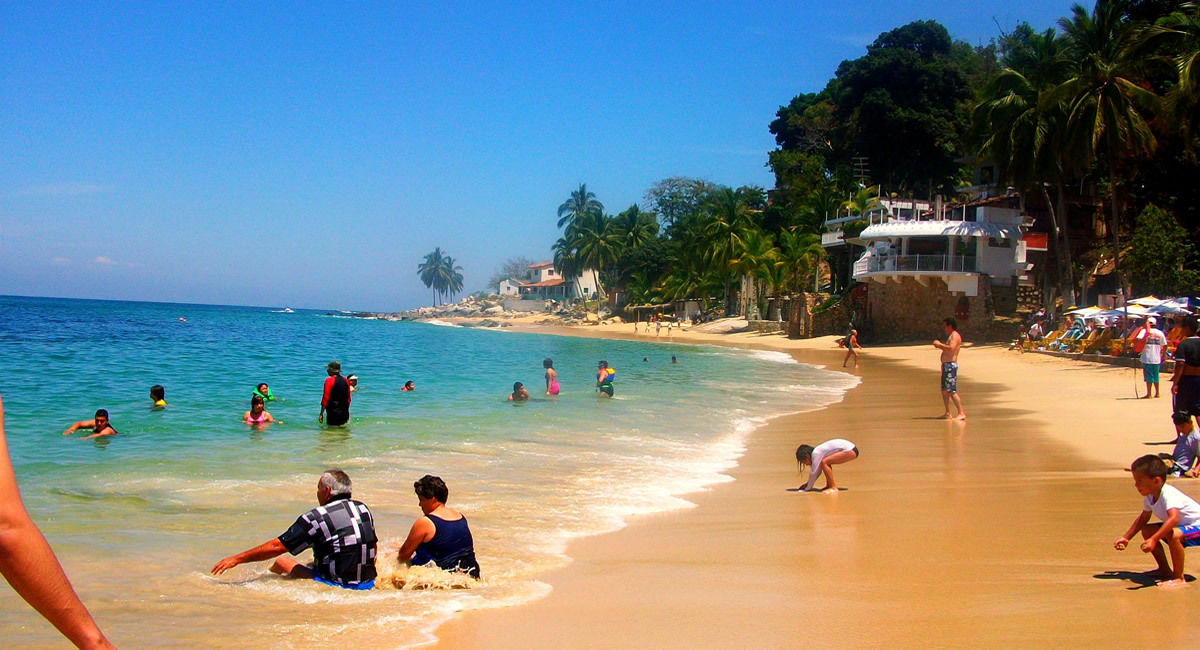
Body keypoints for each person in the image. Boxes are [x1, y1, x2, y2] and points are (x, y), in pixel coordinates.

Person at [0, 394, 115, 649]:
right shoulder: (93, 424)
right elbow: (5, 525)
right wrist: (94, 643)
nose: (97, 423)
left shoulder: (107, 431)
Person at [212, 469, 377, 590]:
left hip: (338, 586)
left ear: (326, 491)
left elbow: (276, 547)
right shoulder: (362, 508)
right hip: (368, 583)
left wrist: (236, 559)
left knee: (281, 562)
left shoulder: (316, 518)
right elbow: (373, 546)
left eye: (318, 488)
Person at [1114, 455, 1200, 587]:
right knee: (1147, 530)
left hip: (1197, 525)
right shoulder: (1150, 496)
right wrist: (1126, 538)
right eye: (1135, 480)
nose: (1136, 485)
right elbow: (1143, 518)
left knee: (1174, 535)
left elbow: (1173, 518)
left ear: (1156, 481)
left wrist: (1154, 539)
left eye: (1140, 481)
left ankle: (1179, 577)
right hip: (1183, 526)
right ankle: (1164, 570)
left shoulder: (1168, 494)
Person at [397, 475, 481, 579]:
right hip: (472, 574)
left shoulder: (425, 522)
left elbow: (403, 556)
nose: (420, 504)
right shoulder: (460, 516)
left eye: (421, 500)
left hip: (446, 578)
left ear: (432, 499)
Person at [933, 317, 966, 420]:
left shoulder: (955, 335)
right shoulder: (951, 336)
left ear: (950, 326)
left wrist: (939, 345)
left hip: (950, 366)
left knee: (951, 390)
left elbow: (951, 348)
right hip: (946, 366)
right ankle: (948, 412)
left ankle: (961, 412)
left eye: (945, 326)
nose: (944, 328)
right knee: (944, 390)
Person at [1171, 316, 1200, 429]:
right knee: (1198, 410)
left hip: (1186, 380)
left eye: (1182, 328)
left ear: (1187, 328)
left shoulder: (1183, 344)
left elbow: (1180, 364)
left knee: (1181, 411)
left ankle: (1183, 436)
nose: (1181, 330)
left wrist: (1175, 383)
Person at [1164, 411, 1200, 478]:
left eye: (1182, 426)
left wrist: (1196, 469)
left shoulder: (1195, 438)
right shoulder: (1183, 434)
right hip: (1173, 461)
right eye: (1178, 427)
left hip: (1179, 468)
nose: (1180, 429)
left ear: (1190, 422)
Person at [1140, 317, 1167, 399]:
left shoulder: (1144, 331)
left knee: (1148, 376)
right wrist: (1163, 355)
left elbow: (1138, 339)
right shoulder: (1160, 333)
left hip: (1147, 357)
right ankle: (1157, 393)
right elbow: (1165, 345)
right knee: (1156, 375)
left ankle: (1149, 394)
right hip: (1156, 357)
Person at [319, 361, 351, 426]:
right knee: (343, 430)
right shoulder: (346, 380)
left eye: (328, 369)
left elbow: (325, 399)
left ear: (331, 370)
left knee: (331, 430)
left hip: (333, 412)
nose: (327, 370)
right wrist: (347, 411)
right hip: (344, 412)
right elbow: (348, 399)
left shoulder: (329, 380)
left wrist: (321, 413)